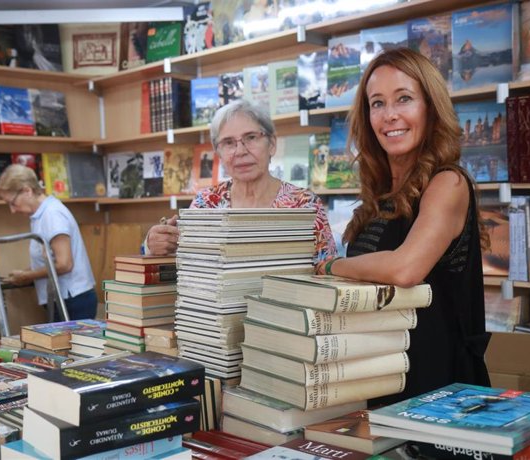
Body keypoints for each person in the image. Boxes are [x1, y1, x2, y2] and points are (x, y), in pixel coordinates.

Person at [315, 48, 491, 406]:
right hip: (377, 377)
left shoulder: (449, 184)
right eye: (377, 103)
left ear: (431, 107)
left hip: (437, 390)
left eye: (404, 99)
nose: (390, 115)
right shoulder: (381, 195)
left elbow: (405, 268)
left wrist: (330, 268)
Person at [145, 98, 337, 262]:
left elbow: (326, 270)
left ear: (271, 144)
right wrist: (155, 244)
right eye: (228, 143)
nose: (241, 151)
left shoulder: (304, 205)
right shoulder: (206, 204)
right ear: (218, 153)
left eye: (251, 137)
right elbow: (188, 266)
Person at [0, 164, 97, 321]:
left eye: (12, 203)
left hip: (72, 300)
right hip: (63, 298)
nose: (12, 210)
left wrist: (27, 276)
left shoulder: (52, 214)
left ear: (27, 191)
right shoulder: (40, 215)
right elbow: (50, 259)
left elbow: (65, 264)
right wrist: (26, 272)